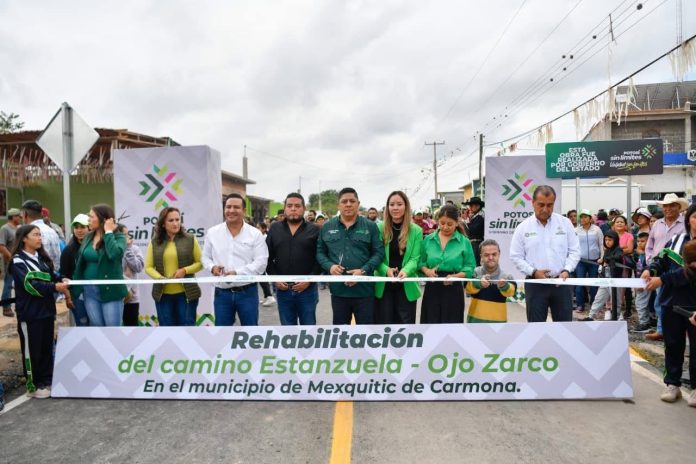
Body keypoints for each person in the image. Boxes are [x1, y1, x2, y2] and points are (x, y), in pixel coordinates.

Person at [9, 224, 70, 398]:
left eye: (40, 235)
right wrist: (54, 287)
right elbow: (29, 285)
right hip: (30, 314)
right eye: (35, 235)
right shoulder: (18, 261)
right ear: (24, 238)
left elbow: (52, 275)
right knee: (32, 351)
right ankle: (33, 386)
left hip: (47, 311)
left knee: (46, 348)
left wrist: (62, 279)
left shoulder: (42, 258)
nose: (39, 238)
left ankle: (46, 381)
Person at [510, 185, 580, 322]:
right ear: (533, 203)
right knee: (536, 327)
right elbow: (516, 256)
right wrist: (533, 272)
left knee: (564, 328)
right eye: (541, 205)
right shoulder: (523, 227)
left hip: (561, 283)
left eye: (550, 205)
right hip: (535, 284)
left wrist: (567, 270)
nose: (545, 209)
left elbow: (575, 251)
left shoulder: (565, 223)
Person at [317, 187, 384, 325]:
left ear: (358, 204)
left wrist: (363, 271)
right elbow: (320, 252)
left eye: (352, 201)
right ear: (338, 205)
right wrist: (330, 267)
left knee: (366, 333)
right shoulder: (327, 227)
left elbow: (378, 253)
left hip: (364, 291)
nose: (348, 204)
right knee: (341, 333)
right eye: (344, 201)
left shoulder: (370, 226)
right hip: (338, 291)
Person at [203, 193, 268, 326]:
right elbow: (205, 257)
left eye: (236, 207)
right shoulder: (213, 233)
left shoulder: (255, 234)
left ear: (244, 210)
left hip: (247, 292)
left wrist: (237, 273)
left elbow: (261, 263)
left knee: (250, 333)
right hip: (222, 294)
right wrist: (212, 267)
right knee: (222, 333)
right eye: (228, 207)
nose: (231, 210)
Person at [644, 238, 696, 407]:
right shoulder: (677, 240)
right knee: (672, 345)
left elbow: (688, 273)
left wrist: (663, 279)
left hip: (693, 305)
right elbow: (661, 259)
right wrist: (650, 270)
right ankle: (672, 384)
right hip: (671, 303)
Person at [266, 193, 321, 325]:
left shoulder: (315, 229)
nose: (293, 209)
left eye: (297, 206)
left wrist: (309, 280)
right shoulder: (275, 228)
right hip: (283, 290)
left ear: (304, 208)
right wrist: (275, 279)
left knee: (308, 330)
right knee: (288, 330)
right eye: (289, 206)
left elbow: (320, 258)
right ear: (285, 208)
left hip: (307, 291)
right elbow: (266, 257)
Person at [70, 204, 127, 327]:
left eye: (91, 217)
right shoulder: (88, 237)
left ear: (103, 219)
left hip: (111, 290)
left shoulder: (119, 237)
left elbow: (114, 254)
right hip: (89, 290)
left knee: (112, 328)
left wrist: (108, 232)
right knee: (97, 327)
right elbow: (81, 263)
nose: (88, 220)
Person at [145, 207, 202, 326]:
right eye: (171, 220)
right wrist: (159, 278)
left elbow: (200, 263)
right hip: (163, 296)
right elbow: (148, 267)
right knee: (167, 331)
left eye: (177, 219)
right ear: (163, 224)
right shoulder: (154, 242)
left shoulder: (190, 239)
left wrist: (185, 270)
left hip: (186, 294)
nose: (175, 223)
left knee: (187, 330)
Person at [419, 204, 475, 323]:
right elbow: (420, 262)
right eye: (442, 223)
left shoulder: (464, 242)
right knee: (430, 323)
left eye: (450, 224)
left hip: (454, 288)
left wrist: (456, 276)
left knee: (451, 324)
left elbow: (470, 267)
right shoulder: (428, 240)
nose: (445, 227)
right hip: (432, 286)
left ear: (457, 223)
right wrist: (427, 271)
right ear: (437, 221)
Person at [373, 191, 423, 324]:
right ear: (387, 207)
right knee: (384, 325)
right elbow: (375, 255)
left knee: (405, 327)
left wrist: (405, 271)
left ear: (406, 206)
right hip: (383, 285)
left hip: (406, 284)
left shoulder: (416, 230)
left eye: (399, 204)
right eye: (392, 204)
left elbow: (415, 258)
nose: (395, 208)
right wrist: (386, 270)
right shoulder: (378, 228)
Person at [644, 193, 688, 341]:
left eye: (672, 206)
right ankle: (662, 329)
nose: (668, 209)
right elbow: (650, 244)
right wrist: (650, 262)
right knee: (660, 300)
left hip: (679, 268)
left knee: (679, 301)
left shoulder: (685, 224)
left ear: (679, 207)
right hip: (658, 268)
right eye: (665, 206)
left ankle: (678, 331)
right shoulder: (657, 224)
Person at [465, 239, 516, 323]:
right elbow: (467, 289)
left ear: (499, 254)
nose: (491, 258)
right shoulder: (475, 272)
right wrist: (479, 283)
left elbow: (511, 292)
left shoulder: (506, 276)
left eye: (494, 254)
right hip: (475, 323)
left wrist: (504, 286)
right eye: (486, 255)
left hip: (498, 325)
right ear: (481, 256)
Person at [583, 230, 624, 321]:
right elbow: (605, 262)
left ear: (615, 240)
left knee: (616, 300)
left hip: (614, 280)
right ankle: (591, 316)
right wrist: (603, 261)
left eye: (610, 240)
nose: (607, 242)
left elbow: (618, 257)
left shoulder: (618, 249)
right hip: (605, 279)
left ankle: (616, 317)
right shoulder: (607, 251)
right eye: (606, 240)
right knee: (598, 298)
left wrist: (606, 260)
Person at [59, 214, 91, 326]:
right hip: (77, 296)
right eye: (76, 227)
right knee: (83, 325)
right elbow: (63, 275)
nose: (79, 230)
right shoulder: (68, 250)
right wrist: (68, 296)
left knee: (97, 326)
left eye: (82, 227)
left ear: (90, 228)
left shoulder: (97, 248)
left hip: (96, 294)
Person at [574, 209, 603, 314]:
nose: (583, 219)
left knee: (594, 283)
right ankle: (580, 305)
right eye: (581, 217)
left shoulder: (597, 230)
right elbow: (573, 245)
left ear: (590, 218)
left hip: (594, 261)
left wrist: (602, 257)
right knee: (579, 283)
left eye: (586, 217)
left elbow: (601, 244)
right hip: (581, 261)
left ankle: (594, 305)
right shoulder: (576, 230)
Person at [20, 200, 61, 273]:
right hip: (53, 275)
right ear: (41, 214)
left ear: (25, 214)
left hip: (34, 276)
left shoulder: (27, 232)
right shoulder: (52, 231)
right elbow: (58, 259)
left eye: (21, 214)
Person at [117, 224, 145, 327]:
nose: (127, 237)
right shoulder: (113, 250)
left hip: (132, 298)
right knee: (115, 327)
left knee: (132, 326)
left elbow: (138, 267)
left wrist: (128, 250)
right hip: (116, 296)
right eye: (124, 234)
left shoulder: (135, 249)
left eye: (128, 234)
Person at [1, 207, 22, 317]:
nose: (20, 218)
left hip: (19, 261)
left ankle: (18, 305)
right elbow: (2, 246)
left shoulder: (18, 228)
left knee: (18, 284)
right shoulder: (5, 229)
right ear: (13, 217)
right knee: (8, 284)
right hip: (10, 262)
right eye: (18, 216)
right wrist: (11, 258)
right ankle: (6, 307)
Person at [613, 215, 635, 319]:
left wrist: (616, 250)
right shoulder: (611, 235)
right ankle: (614, 308)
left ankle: (628, 309)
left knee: (626, 287)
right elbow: (607, 247)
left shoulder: (629, 236)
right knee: (613, 285)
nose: (619, 223)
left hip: (625, 264)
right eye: (617, 222)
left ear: (625, 225)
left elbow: (630, 249)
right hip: (613, 264)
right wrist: (623, 248)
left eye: (622, 222)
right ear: (614, 225)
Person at [632, 232, 652, 332]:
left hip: (645, 281)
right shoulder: (641, 254)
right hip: (639, 280)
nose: (639, 243)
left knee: (640, 302)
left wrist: (641, 283)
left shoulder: (648, 255)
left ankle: (644, 323)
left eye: (643, 241)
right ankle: (647, 321)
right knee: (642, 302)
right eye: (638, 241)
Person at [255, 222, 276, 308]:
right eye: (256, 227)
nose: (257, 229)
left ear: (264, 229)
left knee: (262, 279)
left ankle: (269, 296)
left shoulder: (265, 238)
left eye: (259, 227)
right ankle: (267, 296)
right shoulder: (258, 237)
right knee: (261, 279)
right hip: (258, 261)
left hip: (263, 262)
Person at [464, 197, 485, 266]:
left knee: (475, 262)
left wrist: (466, 221)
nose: (470, 207)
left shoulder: (480, 216)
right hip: (474, 243)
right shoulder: (477, 216)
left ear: (477, 206)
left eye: (471, 205)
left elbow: (472, 229)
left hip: (476, 243)